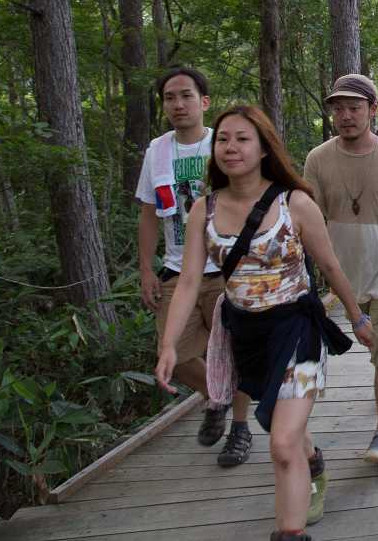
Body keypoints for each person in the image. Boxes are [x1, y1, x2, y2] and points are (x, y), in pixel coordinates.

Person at [155, 105, 374, 541]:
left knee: (279, 443)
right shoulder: (205, 208)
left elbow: (330, 266)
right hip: (244, 335)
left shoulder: (294, 203)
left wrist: (357, 317)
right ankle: (313, 465)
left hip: (297, 330)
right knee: (279, 427)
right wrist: (169, 345)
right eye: (223, 139)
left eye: (242, 139)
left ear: (262, 148)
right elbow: (187, 283)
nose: (230, 147)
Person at [136, 67, 254, 467]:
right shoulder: (157, 151)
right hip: (176, 269)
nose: (177, 104)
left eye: (186, 96)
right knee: (177, 355)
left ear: (204, 102)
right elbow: (149, 212)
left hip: (226, 268)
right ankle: (216, 397)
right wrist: (146, 269)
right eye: (170, 97)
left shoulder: (222, 145)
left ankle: (239, 429)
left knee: (235, 353)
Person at [303, 74, 378, 465]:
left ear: (373, 110)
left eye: (354, 107)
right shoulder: (317, 159)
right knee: (366, 350)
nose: (345, 115)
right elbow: (308, 219)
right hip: (340, 277)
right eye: (338, 108)